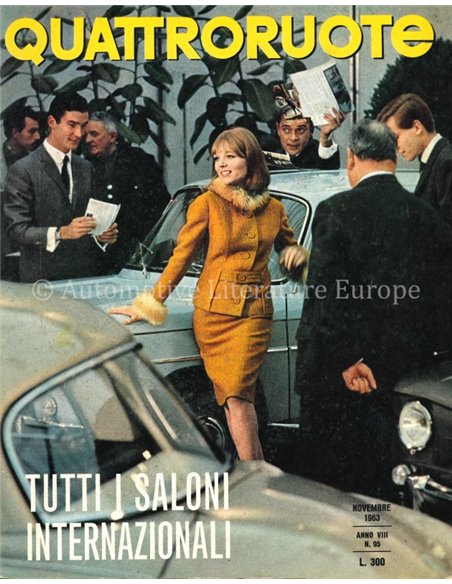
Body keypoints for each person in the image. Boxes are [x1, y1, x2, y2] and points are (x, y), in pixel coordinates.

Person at [110, 127, 307, 461]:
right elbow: (181, 258)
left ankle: (255, 475)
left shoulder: (274, 208)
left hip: (254, 316)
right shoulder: (206, 204)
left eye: (230, 156)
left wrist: (308, 266)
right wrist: (151, 302)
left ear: (250, 159)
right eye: (217, 158)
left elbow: (291, 253)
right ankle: (259, 472)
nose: (222, 164)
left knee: (238, 397)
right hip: (214, 316)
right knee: (234, 401)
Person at [294, 119, 452, 499]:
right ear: (393, 156)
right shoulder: (426, 216)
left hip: (336, 381)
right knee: (385, 490)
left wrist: (348, 359)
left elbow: (326, 297)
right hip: (400, 379)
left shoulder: (335, 210)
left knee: (333, 493)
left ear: (350, 157)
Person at [4, 92, 118, 283]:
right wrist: (61, 233)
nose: (79, 134)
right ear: (51, 122)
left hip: (82, 280)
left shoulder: (85, 167)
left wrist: (101, 235)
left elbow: (87, 225)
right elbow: (17, 230)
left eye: (83, 126)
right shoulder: (23, 170)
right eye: (71, 125)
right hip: (40, 283)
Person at [85, 111, 171, 273]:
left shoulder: (140, 162)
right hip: (98, 257)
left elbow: (161, 205)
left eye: (94, 134)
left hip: (137, 254)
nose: (88, 140)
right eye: (86, 135)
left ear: (112, 136)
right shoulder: (84, 167)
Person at [377, 93, 452, 229]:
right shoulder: (437, 160)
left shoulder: (446, 163)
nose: (395, 147)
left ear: (417, 127)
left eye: (395, 138)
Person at [1, 106, 42, 280]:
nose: (38, 137)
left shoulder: (38, 163)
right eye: (31, 131)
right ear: (15, 132)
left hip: (29, 248)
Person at [264, 108, 345, 170]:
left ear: (311, 130)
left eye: (300, 130)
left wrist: (325, 137)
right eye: (286, 130)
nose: (293, 138)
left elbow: (329, 169)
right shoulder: (265, 148)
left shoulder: (316, 151)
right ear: (278, 129)